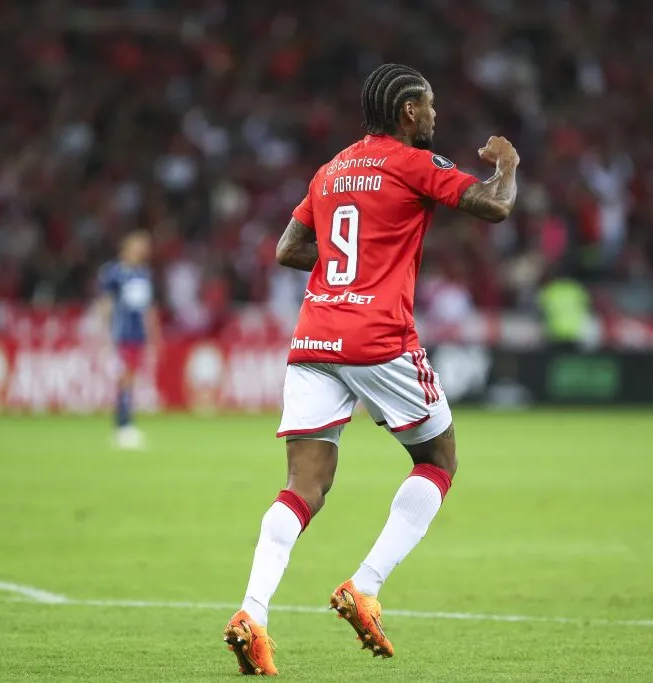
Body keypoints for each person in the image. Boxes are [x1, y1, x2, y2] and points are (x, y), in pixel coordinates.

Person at [223, 63, 519, 676]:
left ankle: (253, 612)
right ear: (408, 111)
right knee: (438, 461)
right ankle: (364, 585)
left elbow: (287, 250)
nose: (436, 117)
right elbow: (493, 207)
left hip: (315, 337)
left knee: (303, 487)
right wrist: (508, 165)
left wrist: (345, 266)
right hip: (379, 338)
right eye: (430, 106)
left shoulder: (330, 169)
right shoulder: (412, 163)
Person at [96, 231, 161, 450]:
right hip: (122, 333)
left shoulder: (144, 274)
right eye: (139, 246)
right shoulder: (114, 273)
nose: (143, 250)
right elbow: (106, 304)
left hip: (138, 335)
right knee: (125, 378)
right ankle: (122, 425)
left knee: (131, 378)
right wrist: (104, 333)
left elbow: (148, 309)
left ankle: (125, 424)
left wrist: (153, 334)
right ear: (127, 247)